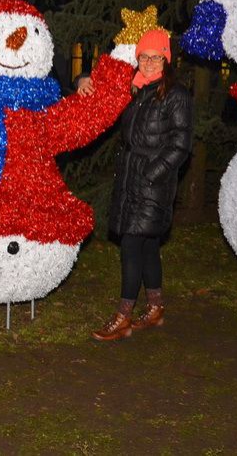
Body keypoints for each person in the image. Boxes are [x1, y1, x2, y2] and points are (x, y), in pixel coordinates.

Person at [80, 27, 193, 341]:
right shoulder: (137, 89)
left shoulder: (176, 95)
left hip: (153, 182)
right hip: (132, 176)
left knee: (131, 244)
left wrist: (152, 174)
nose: (149, 63)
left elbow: (181, 144)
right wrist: (83, 79)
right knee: (148, 245)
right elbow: (101, 89)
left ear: (166, 60)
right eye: (144, 57)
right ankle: (155, 308)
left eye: (156, 57)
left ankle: (123, 316)